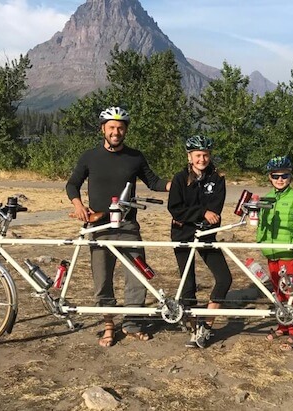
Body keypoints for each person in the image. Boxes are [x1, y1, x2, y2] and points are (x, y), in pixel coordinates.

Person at [66, 106, 171, 347]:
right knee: (102, 279)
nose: (116, 131)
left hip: (127, 225)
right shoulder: (89, 157)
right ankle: (108, 326)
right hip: (99, 227)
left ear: (126, 131)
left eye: (120, 128)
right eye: (112, 127)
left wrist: (178, 182)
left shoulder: (135, 157)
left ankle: (132, 324)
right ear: (103, 129)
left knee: (137, 274)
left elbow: (154, 182)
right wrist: (79, 205)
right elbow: (72, 184)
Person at [167, 135, 232, 349]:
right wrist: (202, 212)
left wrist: (199, 215)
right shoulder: (179, 179)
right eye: (197, 155)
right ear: (189, 156)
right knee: (188, 284)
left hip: (206, 236)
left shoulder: (217, 178)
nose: (202, 159)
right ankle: (193, 329)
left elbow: (216, 210)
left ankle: (207, 324)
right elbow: (175, 209)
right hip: (182, 235)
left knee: (224, 278)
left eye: (205, 155)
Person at [256, 156, 293, 351]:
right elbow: (262, 224)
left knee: (292, 292)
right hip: (271, 253)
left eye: (284, 175)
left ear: (290, 176)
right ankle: (283, 324)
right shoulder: (267, 198)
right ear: (270, 177)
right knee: (277, 292)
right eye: (275, 176)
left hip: (288, 253)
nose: (280, 179)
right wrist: (261, 240)